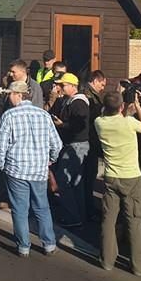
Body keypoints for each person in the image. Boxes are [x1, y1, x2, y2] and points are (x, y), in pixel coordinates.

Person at [0, 80, 62, 257]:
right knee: (42, 207)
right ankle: (49, 243)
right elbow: (57, 144)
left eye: (10, 94)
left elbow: (0, 145)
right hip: (38, 169)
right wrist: (50, 160)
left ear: (18, 95)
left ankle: (24, 245)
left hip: (16, 169)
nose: (9, 97)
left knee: (19, 208)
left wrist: (1, 164)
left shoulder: (9, 116)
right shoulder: (44, 115)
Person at [95, 89, 141, 275]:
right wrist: (137, 107)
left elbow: (107, 114)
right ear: (122, 107)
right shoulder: (128, 122)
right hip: (132, 177)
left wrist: (123, 110)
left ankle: (107, 260)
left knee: (108, 220)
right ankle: (138, 266)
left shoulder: (99, 123)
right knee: (134, 221)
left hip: (111, 177)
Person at [50, 71, 91, 228]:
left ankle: (73, 215)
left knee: (63, 179)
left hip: (77, 144)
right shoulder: (69, 100)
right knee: (76, 182)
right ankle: (79, 214)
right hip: (74, 144)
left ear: (73, 86)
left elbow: (80, 125)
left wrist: (62, 125)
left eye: (63, 85)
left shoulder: (78, 102)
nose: (59, 87)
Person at [85, 70, 107, 219]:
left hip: (92, 140)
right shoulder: (88, 96)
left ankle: (89, 206)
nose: (103, 88)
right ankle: (87, 209)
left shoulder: (94, 95)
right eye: (102, 84)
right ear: (95, 81)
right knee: (87, 176)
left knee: (90, 176)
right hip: (90, 140)